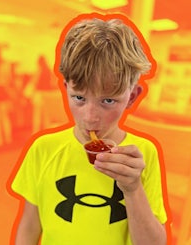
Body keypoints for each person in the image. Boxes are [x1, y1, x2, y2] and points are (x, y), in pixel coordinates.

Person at [9, 13, 169, 245]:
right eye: (79, 97)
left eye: (108, 101)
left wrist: (133, 189)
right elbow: (30, 226)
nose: (90, 117)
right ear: (65, 88)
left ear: (132, 97)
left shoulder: (142, 155)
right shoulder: (43, 149)